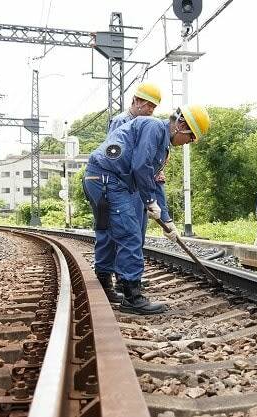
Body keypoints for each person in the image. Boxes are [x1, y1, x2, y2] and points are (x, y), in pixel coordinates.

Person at [84, 105, 210, 314]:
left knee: (111, 233)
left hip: (102, 179)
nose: (188, 143)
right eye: (191, 138)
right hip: (107, 179)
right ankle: (132, 297)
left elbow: (153, 180)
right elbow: (141, 167)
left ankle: (105, 285)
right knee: (130, 234)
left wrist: (167, 220)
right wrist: (150, 201)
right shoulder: (154, 127)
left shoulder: (162, 145)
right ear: (182, 126)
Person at [91, 82, 166, 302]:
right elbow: (118, 155)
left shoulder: (149, 125)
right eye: (147, 105)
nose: (151, 110)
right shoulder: (121, 121)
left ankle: (125, 278)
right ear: (135, 101)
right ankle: (112, 279)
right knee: (117, 232)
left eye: (154, 107)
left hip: (132, 184)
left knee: (134, 232)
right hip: (119, 182)